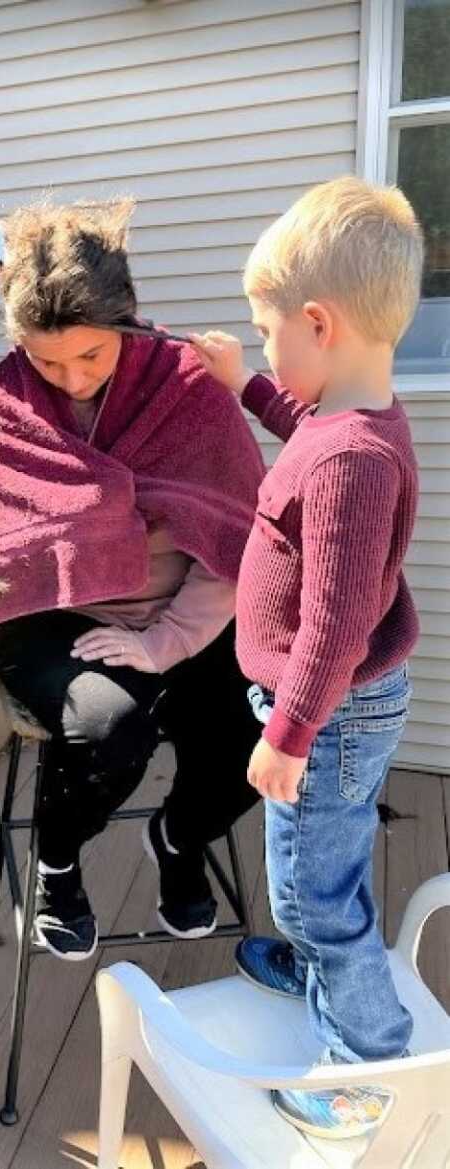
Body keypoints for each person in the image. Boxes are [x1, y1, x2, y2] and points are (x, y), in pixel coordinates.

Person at [0, 199, 264, 961]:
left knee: (261, 729)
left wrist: (167, 641)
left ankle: (178, 837)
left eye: (91, 355)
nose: (72, 378)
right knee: (110, 728)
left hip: (190, 605)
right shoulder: (2, 403)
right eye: (47, 360)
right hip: (54, 615)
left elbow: (232, 537)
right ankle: (57, 860)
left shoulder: (190, 387)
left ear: (129, 322)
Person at [191, 176, 422, 1140]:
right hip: (335, 707)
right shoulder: (349, 424)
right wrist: (245, 379)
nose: (270, 345)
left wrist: (288, 736)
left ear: (319, 323)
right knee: (324, 861)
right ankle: (329, 965)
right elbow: (303, 431)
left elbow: (332, 628)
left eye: (270, 328)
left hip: (324, 711)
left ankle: (368, 1061)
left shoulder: (353, 463)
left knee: (309, 888)